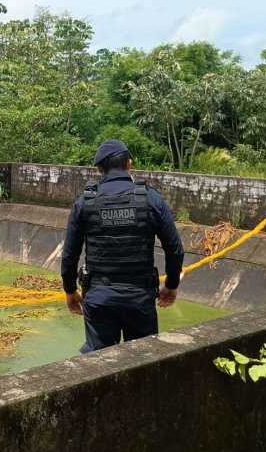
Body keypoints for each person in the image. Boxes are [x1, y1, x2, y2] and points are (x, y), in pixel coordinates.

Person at [61, 139, 185, 352]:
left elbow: (69, 255)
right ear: (129, 164)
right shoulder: (151, 199)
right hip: (139, 298)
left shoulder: (84, 203)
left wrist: (70, 290)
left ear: (99, 169)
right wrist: (172, 285)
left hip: (98, 298)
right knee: (142, 359)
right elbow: (174, 249)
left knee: (98, 361)